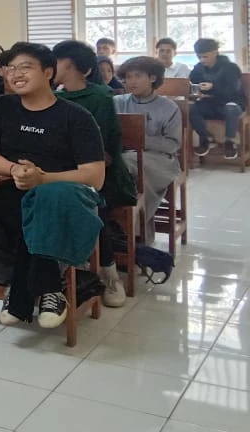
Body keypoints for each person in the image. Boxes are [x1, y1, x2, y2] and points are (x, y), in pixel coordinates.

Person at [0, 43, 106, 328]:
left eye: (25, 67)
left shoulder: (76, 116)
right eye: (10, 68)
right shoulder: (2, 106)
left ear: (48, 72)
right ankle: (18, 278)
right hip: (11, 190)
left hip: (63, 200)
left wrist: (42, 178)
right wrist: (14, 169)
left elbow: (95, 175)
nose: (15, 73)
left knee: (44, 197)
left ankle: (33, 289)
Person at [54, 40, 136, 307]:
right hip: (61, 171)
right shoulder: (54, 96)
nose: (52, 67)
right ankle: (53, 273)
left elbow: (105, 149)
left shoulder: (100, 96)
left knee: (87, 203)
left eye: (59, 62)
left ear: (82, 69)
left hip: (104, 173)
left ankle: (109, 273)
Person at [115, 56, 183, 228]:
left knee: (128, 164)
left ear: (152, 78)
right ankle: (116, 222)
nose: (131, 81)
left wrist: (139, 139)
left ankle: (135, 229)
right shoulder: (117, 102)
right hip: (125, 154)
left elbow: (172, 144)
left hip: (160, 160)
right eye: (128, 77)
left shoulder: (169, 107)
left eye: (137, 76)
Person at [189, 38, 246, 159]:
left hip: (232, 102)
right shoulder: (198, 68)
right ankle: (207, 139)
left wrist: (212, 88)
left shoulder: (231, 67)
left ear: (215, 52)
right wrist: (197, 91)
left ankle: (229, 142)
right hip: (210, 104)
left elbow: (232, 90)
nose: (202, 60)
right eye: (199, 57)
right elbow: (191, 83)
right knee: (191, 108)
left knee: (230, 108)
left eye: (205, 57)